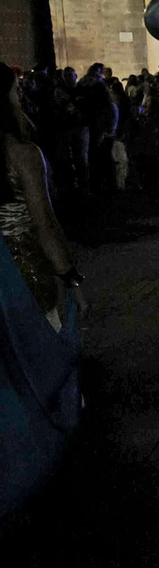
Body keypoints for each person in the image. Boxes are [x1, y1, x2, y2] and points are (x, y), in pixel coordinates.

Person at [0, 62, 80, 519]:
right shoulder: (20, 153)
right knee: (44, 363)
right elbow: (43, 224)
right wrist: (69, 274)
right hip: (26, 275)